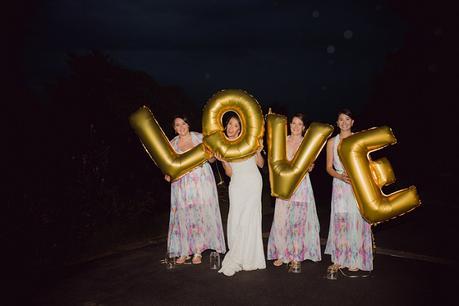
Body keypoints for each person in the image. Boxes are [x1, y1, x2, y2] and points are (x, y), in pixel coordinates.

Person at [165, 116, 226, 265]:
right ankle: (184, 251)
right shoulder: (171, 144)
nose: (181, 127)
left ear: (188, 124)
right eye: (177, 125)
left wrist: (213, 156)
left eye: (184, 123)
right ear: (174, 128)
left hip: (201, 180)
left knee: (200, 213)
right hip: (182, 184)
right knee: (183, 215)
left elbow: (211, 160)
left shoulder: (200, 137)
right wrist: (167, 174)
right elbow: (168, 165)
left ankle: (198, 250)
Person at [267, 113, 321, 271]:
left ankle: (296, 255)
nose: (296, 127)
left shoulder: (307, 143)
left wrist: (310, 166)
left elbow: (311, 165)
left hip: (301, 186)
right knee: (281, 219)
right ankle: (282, 254)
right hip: (284, 186)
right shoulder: (282, 141)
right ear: (289, 125)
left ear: (304, 127)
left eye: (299, 124)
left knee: (298, 221)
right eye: (293, 123)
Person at [215, 115, 266, 276]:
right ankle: (238, 253)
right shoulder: (222, 145)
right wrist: (223, 161)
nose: (231, 128)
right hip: (236, 184)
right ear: (226, 125)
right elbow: (229, 173)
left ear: (240, 129)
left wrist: (258, 151)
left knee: (249, 219)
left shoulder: (248, 141)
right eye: (230, 124)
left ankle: (251, 257)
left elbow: (261, 164)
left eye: (236, 125)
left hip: (253, 183)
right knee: (236, 218)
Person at [324, 109, 373, 272]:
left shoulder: (359, 139)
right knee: (341, 222)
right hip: (339, 185)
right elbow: (329, 167)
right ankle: (339, 258)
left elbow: (368, 162)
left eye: (347, 119)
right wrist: (339, 177)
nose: (344, 122)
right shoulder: (332, 142)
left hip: (357, 185)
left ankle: (355, 258)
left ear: (352, 122)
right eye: (340, 120)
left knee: (356, 221)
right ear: (337, 123)